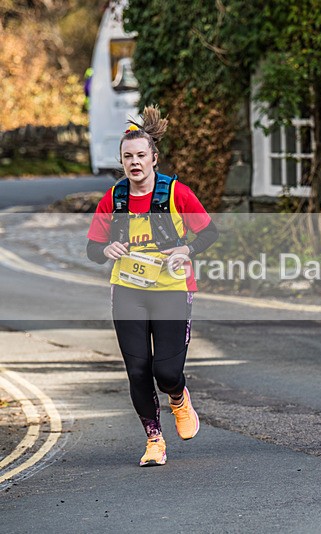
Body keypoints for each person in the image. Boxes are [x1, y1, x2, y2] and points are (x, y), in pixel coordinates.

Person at [86, 106, 219, 465]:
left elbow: (209, 233)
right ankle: (154, 439)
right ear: (122, 161)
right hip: (128, 290)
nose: (135, 162)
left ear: (154, 158)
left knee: (166, 372)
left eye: (141, 155)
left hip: (173, 288)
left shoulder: (176, 193)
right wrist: (106, 248)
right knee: (138, 369)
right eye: (128, 156)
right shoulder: (113, 199)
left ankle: (178, 398)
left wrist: (186, 249)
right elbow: (92, 249)